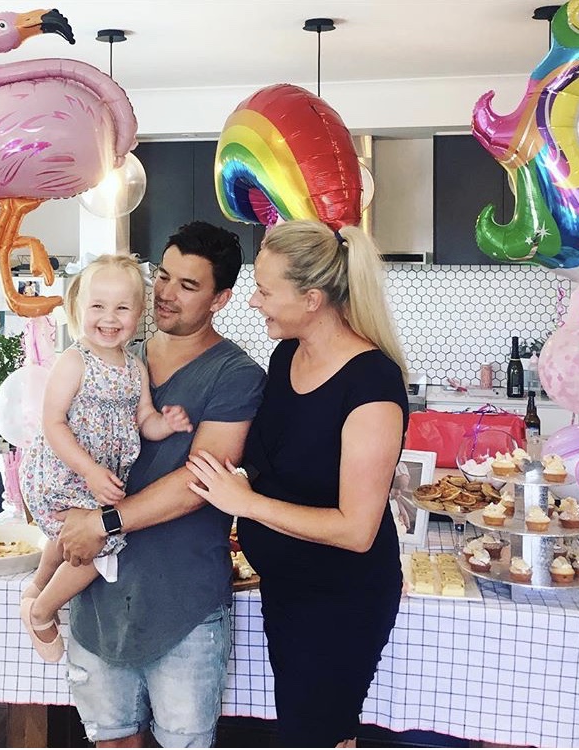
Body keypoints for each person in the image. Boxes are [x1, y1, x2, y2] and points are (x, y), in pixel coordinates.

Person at [186, 219, 409, 748]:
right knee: (312, 731)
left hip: (341, 600)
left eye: (265, 291)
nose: (253, 302)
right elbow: (278, 462)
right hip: (286, 588)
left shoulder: (371, 384)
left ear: (312, 299)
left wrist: (247, 503)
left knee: (315, 734)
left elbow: (356, 530)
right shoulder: (287, 355)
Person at [55, 221, 267, 747]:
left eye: (188, 285)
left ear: (220, 299)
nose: (166, 294)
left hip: (182, 603)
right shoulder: (114, 356)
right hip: (99, 599)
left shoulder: (235, 374)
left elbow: (201, 480)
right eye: (163, 277)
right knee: (111, 740)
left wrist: (102, 523)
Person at [19, 254, 193, 663]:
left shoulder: (135, 367)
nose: (109, 318)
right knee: (103, 543)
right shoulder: (74, 361)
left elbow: (144, 419)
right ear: (79, 308)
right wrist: (90, 471)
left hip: (97, 478)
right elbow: (53, 423)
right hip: (64, 473)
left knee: (72, 533)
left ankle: (35, 590)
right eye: (98, 306)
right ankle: (42, 612)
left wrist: (165, 424)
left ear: (139, 313)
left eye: (122, 308)